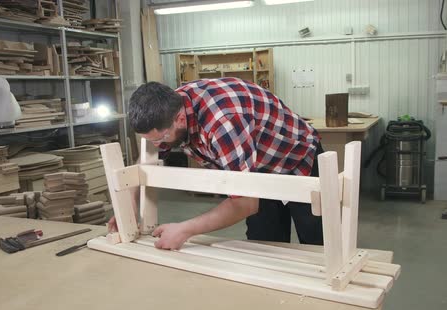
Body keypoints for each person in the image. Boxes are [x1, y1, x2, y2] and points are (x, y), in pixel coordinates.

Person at [109, 77, 324, 250]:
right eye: (150, 140)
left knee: (315, 241)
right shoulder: (170, 108)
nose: (156, 144)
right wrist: (128, 205)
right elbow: (148, 158)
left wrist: (185, 229)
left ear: (180, 119)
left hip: (296, 162)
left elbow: (245, 204)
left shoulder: (223, 122)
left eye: (160, 138)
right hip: (253, 167)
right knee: (264, 245)